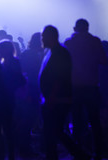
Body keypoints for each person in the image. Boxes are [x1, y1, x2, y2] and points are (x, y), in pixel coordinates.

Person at [39, 25, 89, 160]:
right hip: (53, 98)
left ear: (51, 36)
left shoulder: (60, 53)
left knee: (54, 130)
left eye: (43, 36)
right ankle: (76, 154)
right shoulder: (53, 52)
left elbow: (60, 78)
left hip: (57, 99)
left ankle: (78, 154)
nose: (41, 38)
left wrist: (52, 97)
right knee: (54, 130)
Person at [64, 19, 107, 159]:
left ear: (74, 28)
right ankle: (98, 152)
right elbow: (103, 61)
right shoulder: (95, 41)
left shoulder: (69, 43)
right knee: (94, 121)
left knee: (76, 121)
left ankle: (79, 152)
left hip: (74, 87)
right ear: (87, 28)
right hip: (91, 86)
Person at [0, 40, 26, 160]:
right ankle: (10, 154)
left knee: (7, 128)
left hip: (7, 98)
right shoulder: (11, 62)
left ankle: (9, 155)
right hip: (9, 98)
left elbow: (18, 80)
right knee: (8, 128)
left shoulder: (11, 63)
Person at [17, 32, 44, 156]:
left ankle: (26, 148)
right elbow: (24, 74)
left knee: (29, 121)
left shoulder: (31, 54)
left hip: (33, 91)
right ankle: (25, 149)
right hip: (30, 91)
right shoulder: (32, 55)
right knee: (27, 121)